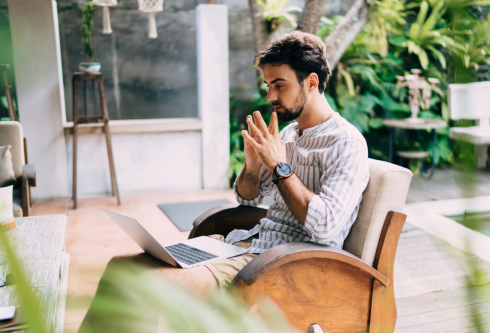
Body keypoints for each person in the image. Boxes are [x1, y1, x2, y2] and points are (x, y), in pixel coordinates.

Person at [79, 31, 369, 332]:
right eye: (268, 86)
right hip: (247, 244)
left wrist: (279, 165)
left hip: (286, 264)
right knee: (120, 268)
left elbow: (325, 226)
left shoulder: (346, 143)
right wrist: (253, 168)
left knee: (153, 288)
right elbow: (248, 200)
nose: (270, 97)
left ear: (310, 82)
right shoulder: (287, 136)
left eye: (279, 85)